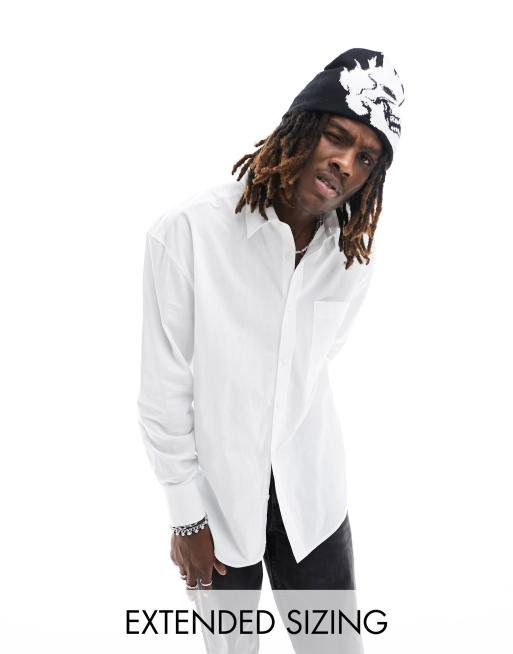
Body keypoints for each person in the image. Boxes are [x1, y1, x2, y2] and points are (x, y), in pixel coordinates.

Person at [137, 48, 405, 598]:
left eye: (366, 157)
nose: (346, 163)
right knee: (232, 639)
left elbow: (320, 357)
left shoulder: (351, 257)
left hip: (313, 502)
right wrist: (185, 517)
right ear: (300, 127)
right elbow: (163, 391)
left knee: (333, 638)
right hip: (218, 506)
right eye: (336, 136)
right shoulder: (188, 233)